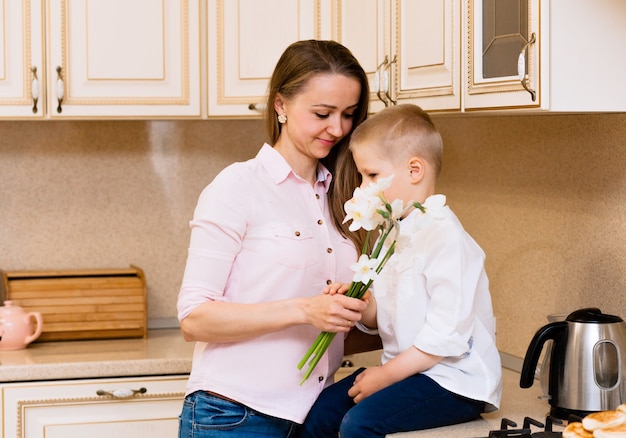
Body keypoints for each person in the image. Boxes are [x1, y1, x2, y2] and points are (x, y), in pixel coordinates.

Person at [176, 39, 371, 438]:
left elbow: (340, 327)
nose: (337, 128)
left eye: (348, 114)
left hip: (314, 415)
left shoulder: (346, 197)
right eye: (322, 113)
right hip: (233, 416)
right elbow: (193, 318)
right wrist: (304, 310)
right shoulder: (238, 186)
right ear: (281, 104)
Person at [299, 104, 503, 438]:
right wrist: (363, 303)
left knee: (358, 424)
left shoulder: (445, 236)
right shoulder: (394, 231)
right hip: (409, 373)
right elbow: (384, 317)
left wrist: (385, 376)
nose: (363, 187)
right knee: (321, 413)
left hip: (455, 381)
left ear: (414, 170)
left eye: (372, 175)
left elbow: (443, 338)